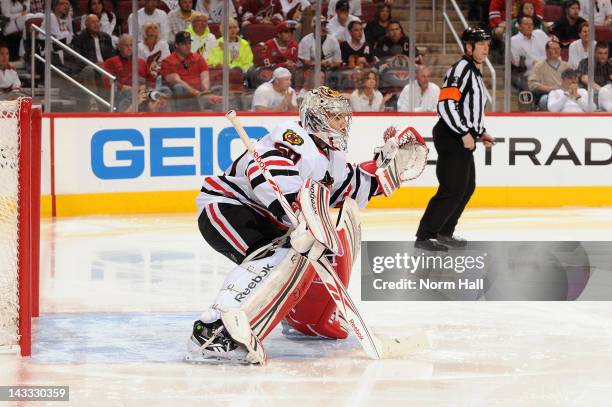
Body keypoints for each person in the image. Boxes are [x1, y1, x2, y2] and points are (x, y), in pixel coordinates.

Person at [187, 85, 427, 364]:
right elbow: (263, 173)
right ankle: (213, 331)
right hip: (228, 207)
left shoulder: (330, 156)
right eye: (335, 117)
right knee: (273, 258)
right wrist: (297, 208)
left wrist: (385, 165)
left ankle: (296, 314)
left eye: (342, 117)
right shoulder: (291, 139)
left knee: (296, 257)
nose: (342, 123)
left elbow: (351, 187)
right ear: (316, 118)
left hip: (266, 218)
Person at [416, 27, 495, 251]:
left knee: (466, 187)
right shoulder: (461, 69)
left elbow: (470, 110)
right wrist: (463, 133)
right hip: (452, 136)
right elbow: (446, 105)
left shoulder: (474, 71)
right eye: (481, 44)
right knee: (452, 188)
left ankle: (444, 231)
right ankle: (425, 236)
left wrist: (480, 133)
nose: (486, 49)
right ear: (468, 47)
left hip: (460, 136)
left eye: (487, 45)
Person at [161, 31, 217, 111]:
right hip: (184, 96)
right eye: (184, 44)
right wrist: (196, 93)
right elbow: (177, 81)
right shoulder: (168, 62)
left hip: (201, 94)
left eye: (189, 43)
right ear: (176, 45)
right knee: (179, 88)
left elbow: (205, 77)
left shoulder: (198, 58)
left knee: (219, 89)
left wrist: (206, 92)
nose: (188, 46)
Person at [70, 14, 115, 110]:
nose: (96, 24)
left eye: (97, 21)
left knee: (113, 71)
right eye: (93, 22)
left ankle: (112, 103)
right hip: (86, 70)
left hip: (104, 68)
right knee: (89, 70)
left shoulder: (106, 37)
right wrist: (93, 64)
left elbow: (112, 56)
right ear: (86, 24)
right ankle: (93, 99)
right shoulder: (79, 38)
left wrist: (105, 64)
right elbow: (77, 59)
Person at [103, 34, 156, 110]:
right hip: (123, 93)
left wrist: (145, 87)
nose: (129, 48)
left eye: (131, 45)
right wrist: (123, 87)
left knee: (161, 92)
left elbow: (151, 81)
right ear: (119, 47)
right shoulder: (110, 62)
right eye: (126, 45)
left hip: (142, 92)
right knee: (130, 93)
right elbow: (107, 82)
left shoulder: (142, 62)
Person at [528, 40, 571, 110]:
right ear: (547, 51)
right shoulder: (539, 66)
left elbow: (574, 81)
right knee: (544, 100)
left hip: (565, 94)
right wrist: (550, 89)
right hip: (548, 95)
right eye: (553, 49)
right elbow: (532, 84)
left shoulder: (566, 65)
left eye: (558, 49)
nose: (556, 51)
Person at [510, 15, 550, 89]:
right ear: (519, 26)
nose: (529, 26)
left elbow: (551, 50)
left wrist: (539, 61)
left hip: (548, 69)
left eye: (531, 24)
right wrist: (532, 62)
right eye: (526, 24)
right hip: (528, 74)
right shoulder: (513, 40)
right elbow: (516, 62)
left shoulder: (540, 33)